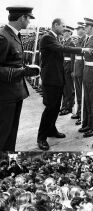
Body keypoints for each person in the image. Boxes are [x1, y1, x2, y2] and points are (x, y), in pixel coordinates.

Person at [37, 18, 92, 151]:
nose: (64, 28)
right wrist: (82, 49)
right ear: (55, 25)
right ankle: (41, 137)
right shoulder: (47, 37)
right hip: (50, 79)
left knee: (55, 107)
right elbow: (62, 48)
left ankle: (51, 129)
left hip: (57, 78)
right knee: (50, 107)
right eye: (62, 26)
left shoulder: (54, 37)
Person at [0, 6, 38, 151]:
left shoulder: (13, 34)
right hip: (5, 95)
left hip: (15, 93)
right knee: (3, 134)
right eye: (28, 18)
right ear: (22, 18)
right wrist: (22, 72)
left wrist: (26, 71)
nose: (29, 22)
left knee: (11, 133)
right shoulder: (3, 37)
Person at [78, 18, 93, 139]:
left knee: (92, 101)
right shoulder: (87, 39)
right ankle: (87, 123)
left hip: (92, 73)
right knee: (86, 99)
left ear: (92, 27)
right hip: (86, 72)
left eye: (87, 26)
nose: (85, 28)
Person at [72, 22, 87, 124]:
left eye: (79, 29)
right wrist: (73, 70)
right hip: (77, 69)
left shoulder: (86, 40)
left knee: (83, 94)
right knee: (78, 93)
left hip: (82, 70)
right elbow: (74, 57)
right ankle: (78, 111)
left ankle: (82, 114)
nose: (78, 31)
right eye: (77, 29)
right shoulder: (78, 40)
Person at [60, 26, 76, 116]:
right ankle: (64, 105)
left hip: (68, 67)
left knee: (69, 89)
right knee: (64, 88)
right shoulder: (64, 42)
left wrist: (72, 69)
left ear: (70, 33)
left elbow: (73, 57)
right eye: (64, 31)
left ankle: (69, 107)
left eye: (66, 31)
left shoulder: (71, 43)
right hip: (63, 66)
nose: (64, 33)